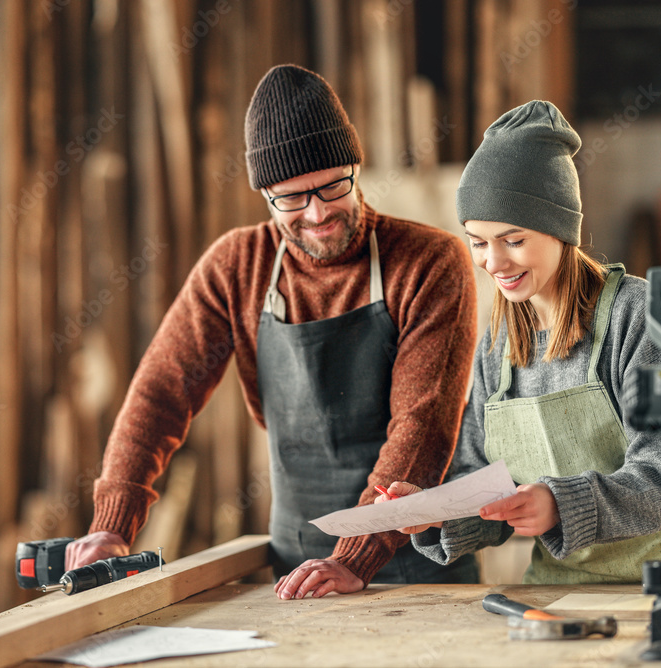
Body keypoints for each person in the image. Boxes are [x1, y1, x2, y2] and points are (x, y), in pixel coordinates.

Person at [65, 64, 480, 597]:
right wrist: (111, 525)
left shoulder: (429, 262)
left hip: (420, 570)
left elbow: (422, 425)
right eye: (292, 197)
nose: (318, 213)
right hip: (297, 569)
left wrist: (357, 555)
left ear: (356, 165)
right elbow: (160, 391)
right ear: (265, 195)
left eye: (333, 186)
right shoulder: (237, 267)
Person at [376, 100, 661, 584]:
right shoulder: (499, 344)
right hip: (563, 591)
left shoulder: (639, 313)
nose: (494, 263)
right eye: (479, 242)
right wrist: (439, 509)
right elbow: (484, 475)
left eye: (513, 239)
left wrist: (559, 503)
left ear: (560, 229)